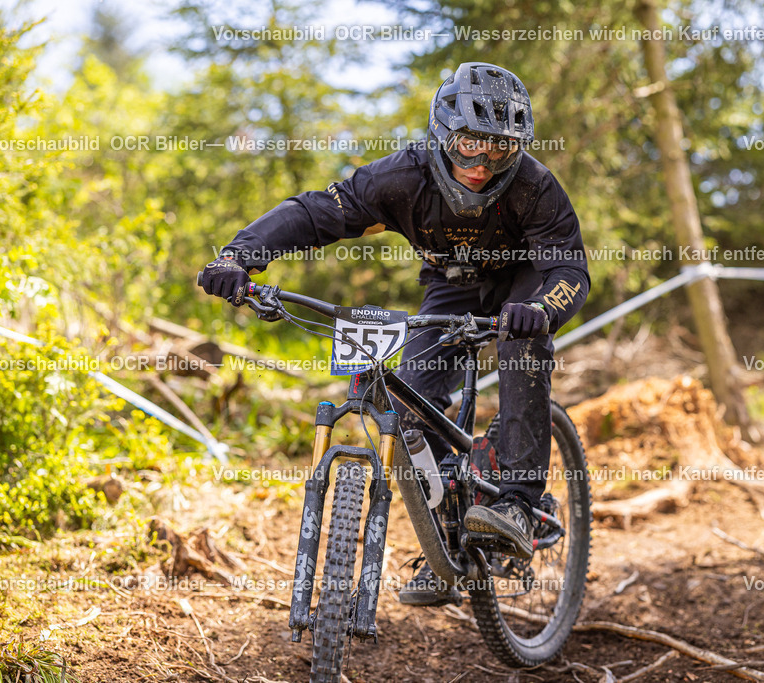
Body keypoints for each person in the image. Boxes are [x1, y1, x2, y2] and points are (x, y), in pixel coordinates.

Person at [200, 62, 589, 605]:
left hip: (523, 279)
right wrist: (241, 256)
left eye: (499, 149)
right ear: (441, 133)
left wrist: (543, 310)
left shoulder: (535, 187)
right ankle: (449, 544)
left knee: (523, 340)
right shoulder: (399, 178)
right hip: (450, 284)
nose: (481, 163)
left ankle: (518, 504)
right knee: (408, 405)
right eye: (469, 143)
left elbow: (569, 271)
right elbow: (316, 212)